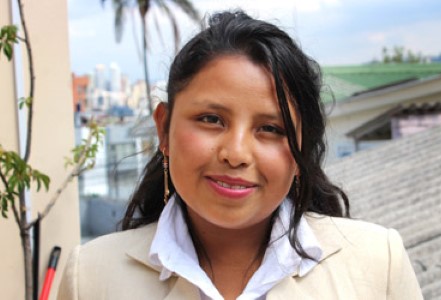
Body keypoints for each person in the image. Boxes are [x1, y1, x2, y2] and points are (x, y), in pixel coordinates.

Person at [58, 10, 422, 300]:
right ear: (164, 129)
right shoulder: (90, 276)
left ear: (301, 150)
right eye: (211, 119)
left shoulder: (378, 264)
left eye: (271, 129)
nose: (236, 154)